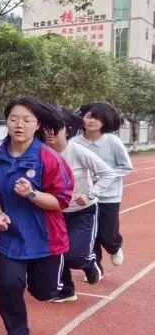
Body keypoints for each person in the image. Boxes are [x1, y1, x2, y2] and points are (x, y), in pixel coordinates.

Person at [0, 97, 73, 335]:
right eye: (13, 119)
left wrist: (32, 194)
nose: (19, 125)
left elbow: (61, 201)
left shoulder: (49, 158)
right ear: (6, 122)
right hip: (10, 236)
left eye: (26, 120)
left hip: (46, 238)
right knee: (8, 286)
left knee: (43, 292)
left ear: (37, 124)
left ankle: (47, 283)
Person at [46, 109, 114, 301]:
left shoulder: (78, 151)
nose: (49, 132)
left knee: (74, 256)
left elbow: (108, 173)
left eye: (54, 128)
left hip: (82, 212)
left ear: (67, 130)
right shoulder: (42, 152)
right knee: (56, 253)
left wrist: (90, 194)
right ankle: (66, 290)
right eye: (45, 128)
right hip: (54, 213)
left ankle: (89, 262)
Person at [73, 103, 132, 274]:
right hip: (84, 197)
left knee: (107, 234)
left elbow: (126, 167)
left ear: (105, 121)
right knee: (89, 235)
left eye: (97, 118)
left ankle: (114, 247)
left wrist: (103, 176)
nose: (92, 121)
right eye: (89, 117)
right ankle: (95, 267)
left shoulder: (113, 142)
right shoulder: (75, 143)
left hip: (109, 196)